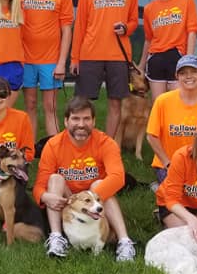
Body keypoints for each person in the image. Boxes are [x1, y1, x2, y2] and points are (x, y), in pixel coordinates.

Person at [33, 96, 138, 261]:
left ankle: (124, 242)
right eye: (75, 118)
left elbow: (118, 178)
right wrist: (45, 196)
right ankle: (56, 238)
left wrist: (90, 199)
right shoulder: (53, 145)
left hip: (96, 200)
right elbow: (39, 185)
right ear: (66, 121)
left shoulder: (106, 143)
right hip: (67, 199)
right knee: (54, 179)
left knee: (101, 184)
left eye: (86, 119)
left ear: (94, 121)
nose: (81, 124)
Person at [71, 0, 140, 140]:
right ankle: (82, 140)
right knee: (82, 103)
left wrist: (126, 28)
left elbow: (134, 20)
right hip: (90, 53)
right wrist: (75, 58)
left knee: (115, 102)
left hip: (118, 55)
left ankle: (107, 145)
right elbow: (80, 26)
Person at [19, 0, 74, 139]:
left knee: (50, 107)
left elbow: (66, 31)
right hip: (26, 59)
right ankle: (30, 151)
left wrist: (62, 62)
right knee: (30, 105)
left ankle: (57, 150)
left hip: (51, 61)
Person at [146, 54, 197, 185]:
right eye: (183, 73)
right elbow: (151, 136)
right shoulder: (163, 101)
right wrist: (167, 164)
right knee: (178, 196)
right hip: (168, 164)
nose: (188, 76)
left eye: (193, 71)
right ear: (176, 76)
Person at [138, 0, 197, 101]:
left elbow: (192, 31)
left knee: (178, 103)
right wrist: (141, 66)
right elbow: (148, 39)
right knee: (158, 104)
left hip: (176, 56)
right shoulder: (149, 9)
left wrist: (188, 60)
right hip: (156, 59)